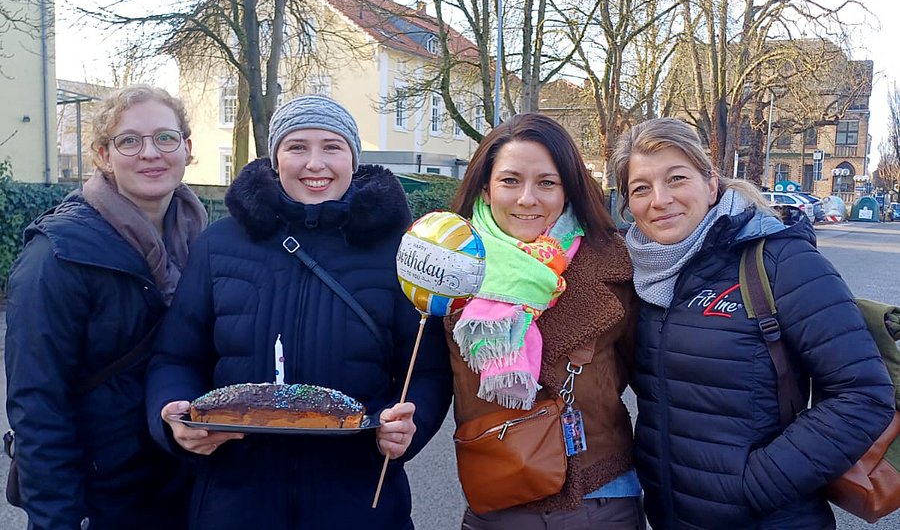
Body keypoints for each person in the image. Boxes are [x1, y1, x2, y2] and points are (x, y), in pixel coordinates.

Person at [145, 94, 452, 529]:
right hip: (234, 500)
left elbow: (427, 370)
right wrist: (172, 415)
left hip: (359, 500)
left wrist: (409, 423)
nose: (315, 163)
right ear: (275, 159)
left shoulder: (400, 252)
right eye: (297, 147)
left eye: (331, 147)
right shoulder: (220, 245)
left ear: (353, 158)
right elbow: (176, 357)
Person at [610, 117, 896, 528]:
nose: (660, 199)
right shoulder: (639, 274)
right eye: (641, 188)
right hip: (670, 515)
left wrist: (753, 486)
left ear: (711, 184)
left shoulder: (781, 262)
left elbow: (864, 395)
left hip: (767, 518)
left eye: (676, 178)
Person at [5, 84, 205, 529]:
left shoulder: (205, 244)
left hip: (183, 488)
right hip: (102, 500)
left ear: (187, 148)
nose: (150, 153)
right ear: (102, 155)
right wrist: (58, 519)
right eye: (129, 140)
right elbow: (38, 405)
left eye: (165, 138)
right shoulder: (56, 256)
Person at [446, 113, 644, 529]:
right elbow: (425, 375)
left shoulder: (615, 263)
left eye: (546, 183)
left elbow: (649, 373)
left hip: (599, 492)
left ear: (568, 190)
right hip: (497, 490)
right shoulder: (450, 264)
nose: (527, 199)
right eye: (510, 181)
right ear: (486, 187)